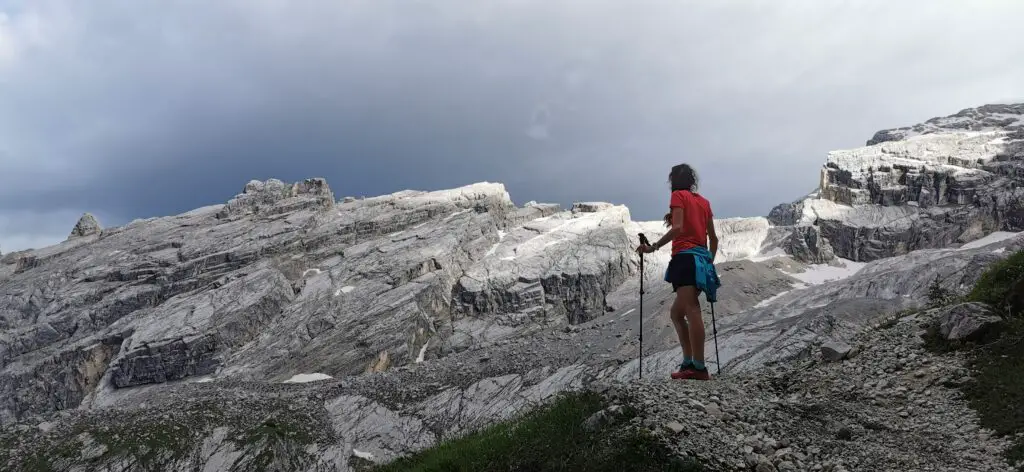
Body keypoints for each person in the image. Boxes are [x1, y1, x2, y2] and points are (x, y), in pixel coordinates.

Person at [637, 163, 720, 380]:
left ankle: (699, 368)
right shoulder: (704, 202)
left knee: (691, 309)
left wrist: (653, 247)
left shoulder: (678, 197)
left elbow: (678, 228)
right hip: (701, 260)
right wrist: (709, 261)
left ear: (674, 181)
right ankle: (689, 362)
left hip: (684, 258)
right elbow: (714, 238)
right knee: (677, 313)